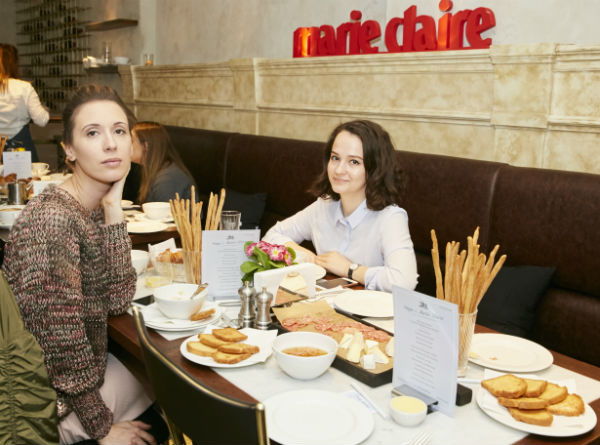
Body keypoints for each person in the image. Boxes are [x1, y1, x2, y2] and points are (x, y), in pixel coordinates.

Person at [2, 84, 167, 445]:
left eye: (119, 131)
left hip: (80, 375)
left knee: (165, 376)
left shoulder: (89, 207)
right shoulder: (53, 220)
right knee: (171, 385)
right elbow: (62, 349)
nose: (110, 144)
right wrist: (102, 428)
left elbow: (118, 298)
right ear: (69, 150)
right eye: (93, 133)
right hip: (42, 406)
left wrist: (113, 209)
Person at [263, 120, 418, 292]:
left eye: (354, 162)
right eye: (335, 158)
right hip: (324, 304)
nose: (338, 170)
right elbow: (272, 236)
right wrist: (304, 255)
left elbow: (404, 281)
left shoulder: (390, 218)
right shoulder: (324, 205)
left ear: (375, 169)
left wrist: (349, 269)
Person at [0, 43, 49, 162]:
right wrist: (44, 110)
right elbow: (42, 120)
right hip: (21, 149)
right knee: (26, 175)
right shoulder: (24, 87)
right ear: (14, 64)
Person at [130, 121, 196, 203]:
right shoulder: (155, 170)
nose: (126, 145)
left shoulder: (167, 179)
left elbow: (164, 211)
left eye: (131, 141)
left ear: (146, 146)